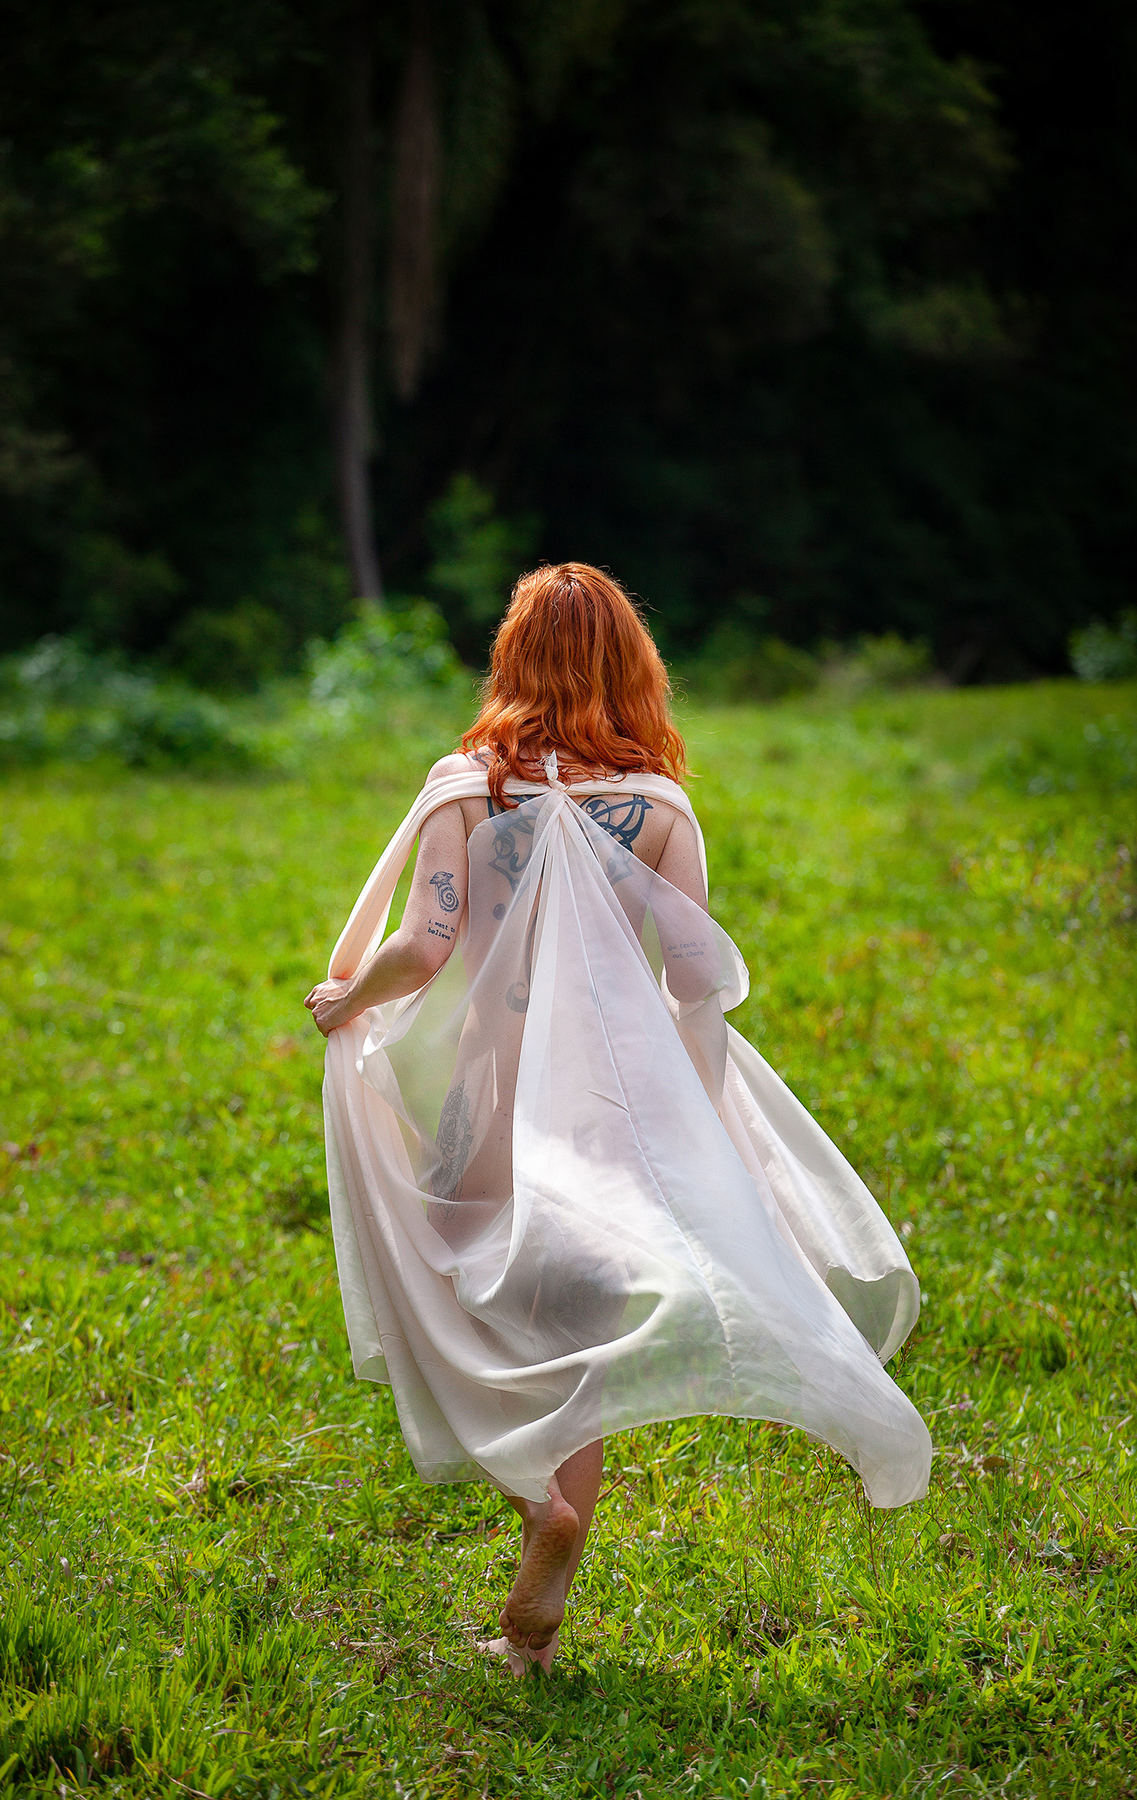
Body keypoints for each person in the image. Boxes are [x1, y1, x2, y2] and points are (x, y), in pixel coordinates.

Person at [305, 563, 930, 1676]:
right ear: (629, 668)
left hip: (488, 1099)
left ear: (514, 660)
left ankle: (535, 1499)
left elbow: (426, 946)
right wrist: (690, 1119)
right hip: (607, 1104)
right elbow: (697, 976)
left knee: (465, 1296)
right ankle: (534, 1628)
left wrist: (342, 1001)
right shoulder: (662, 809)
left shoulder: (464, 789)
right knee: (584, 1326)